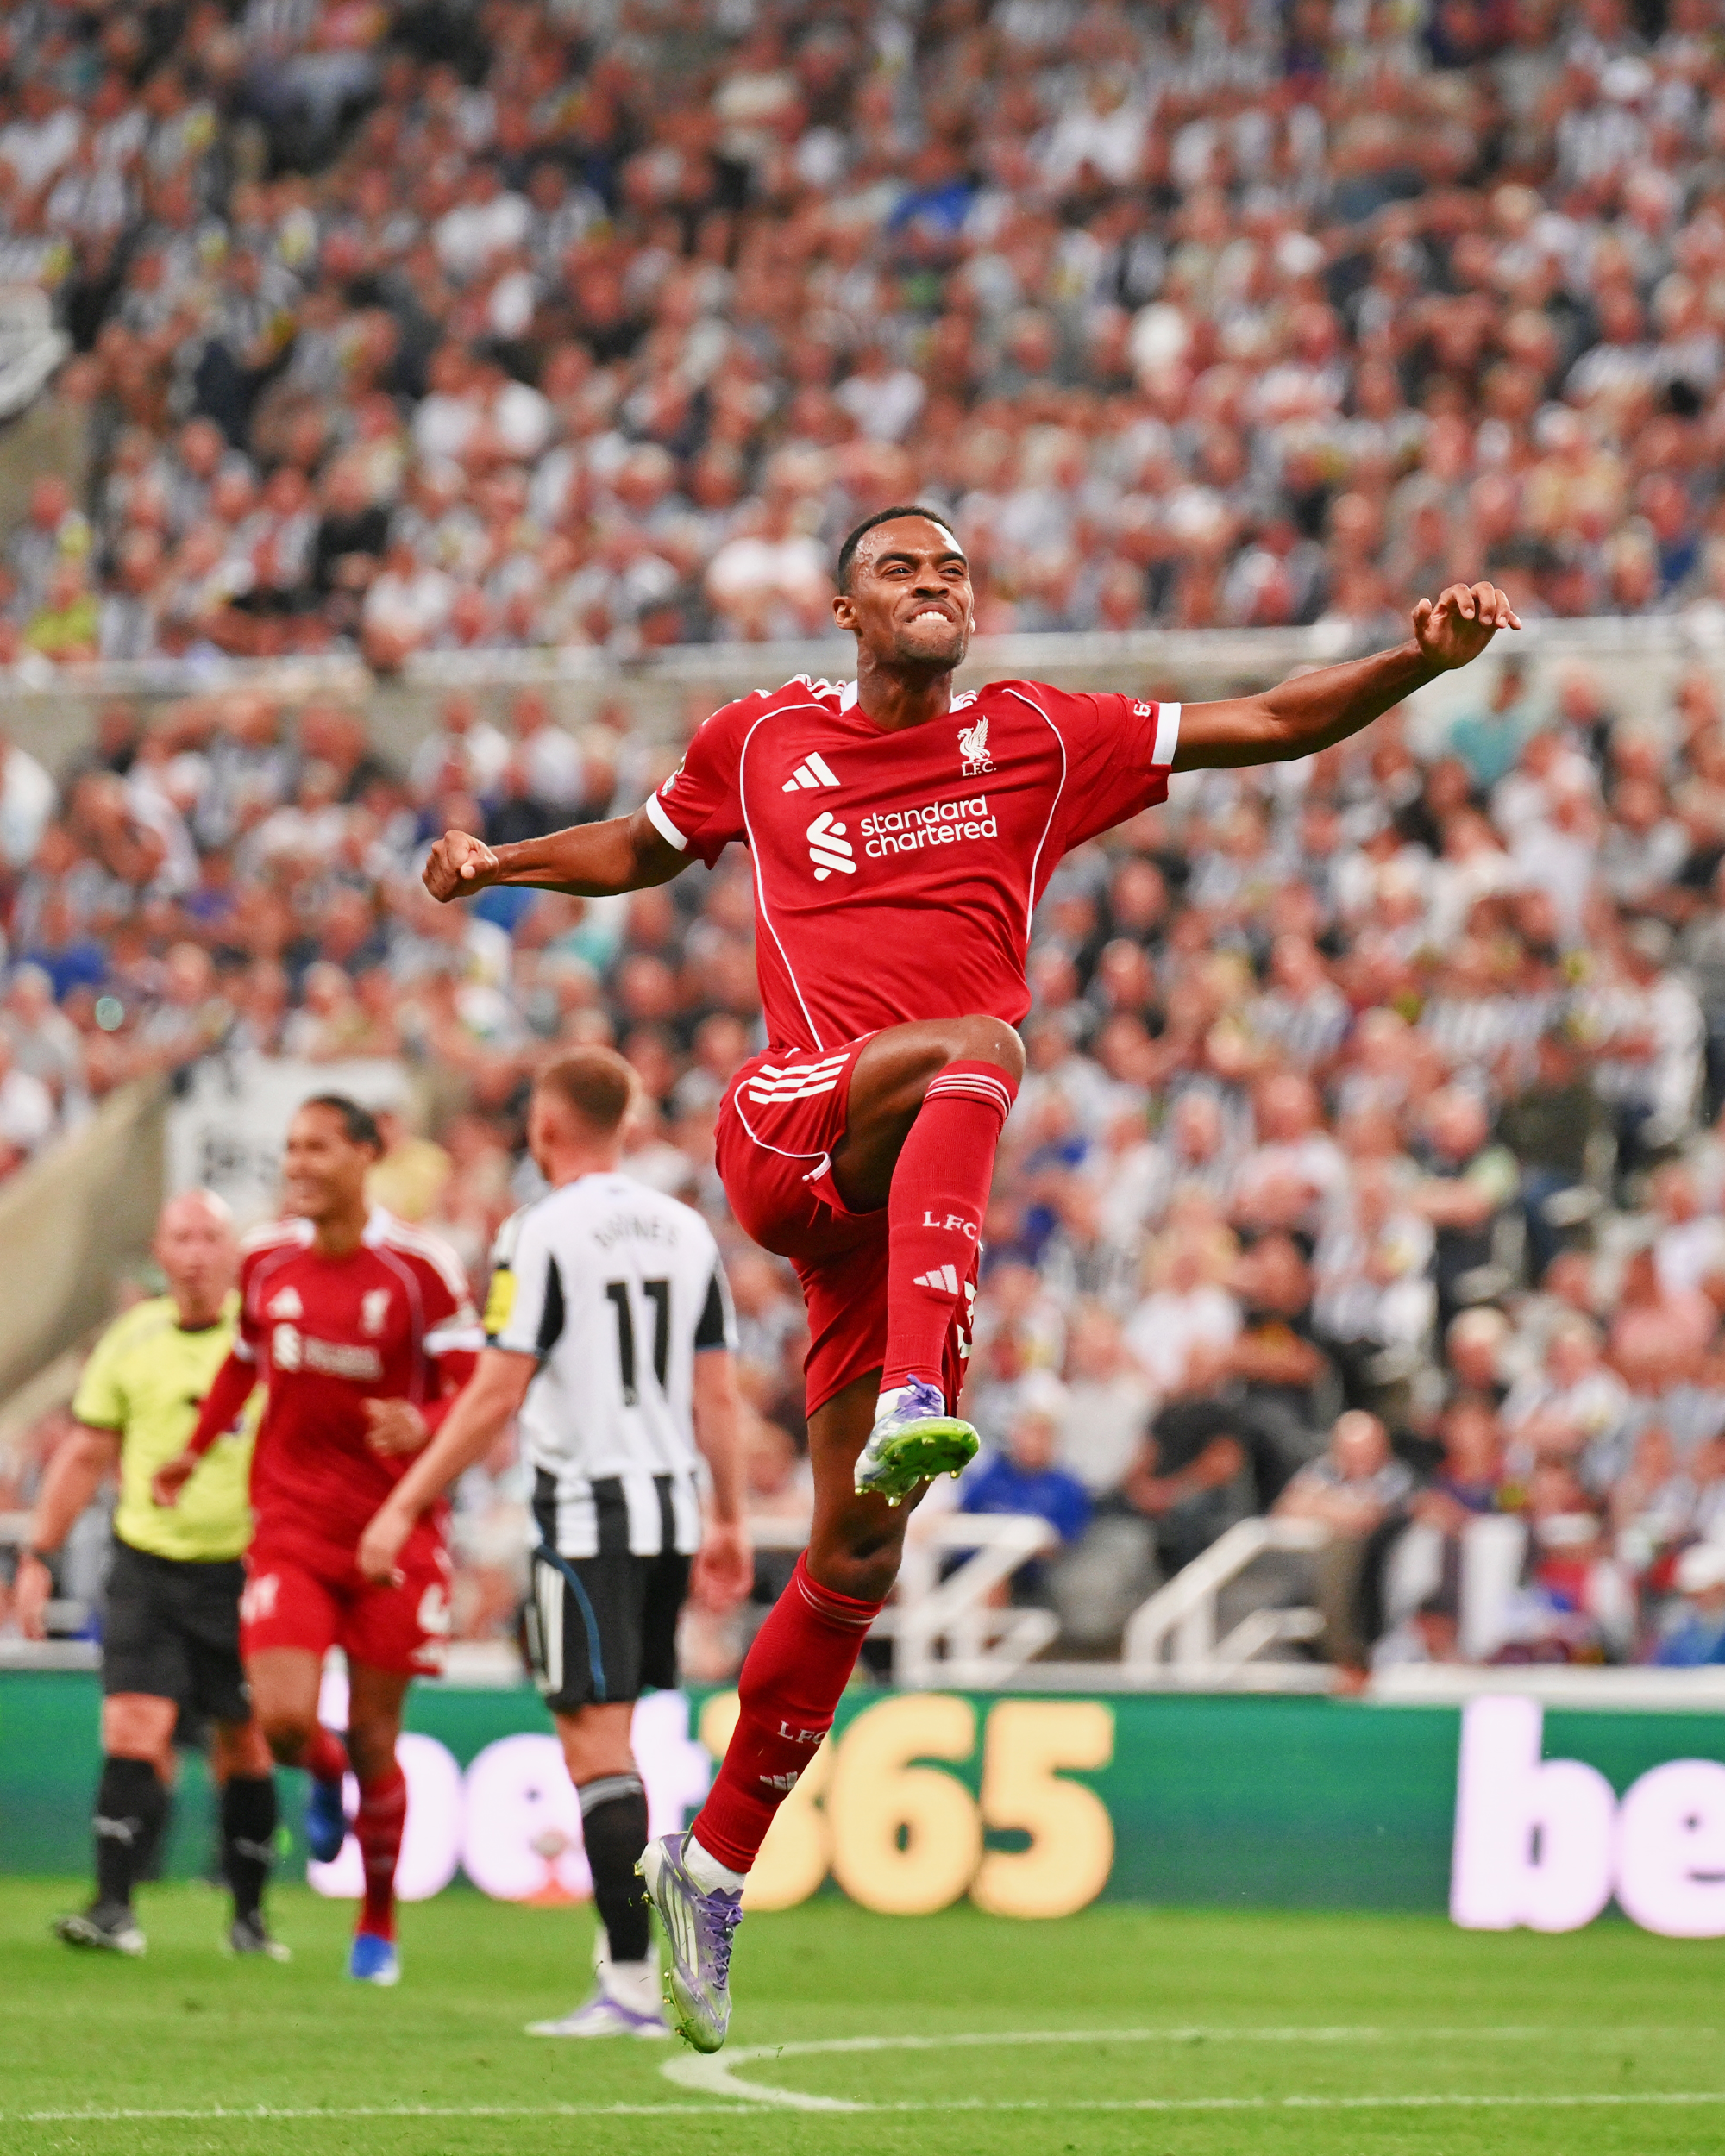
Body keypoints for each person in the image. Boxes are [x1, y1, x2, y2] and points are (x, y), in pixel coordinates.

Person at [421, 505, 1519, 2051]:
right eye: (902, 571)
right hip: (792, 1123)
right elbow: (643, 845)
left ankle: (711, 1866)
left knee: (855, 1559)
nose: (936, 586)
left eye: (952, 571)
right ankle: (927, 1388)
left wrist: (1417, 658)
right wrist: (500, 864)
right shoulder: (762, 738)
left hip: (896, 1208)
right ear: (844, 611)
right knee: (985, 1046)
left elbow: (1268, 721)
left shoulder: (1036, 739)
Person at [354, 1048, 751, 2037]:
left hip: (585, 1510)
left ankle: (631, 1981)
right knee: (618, 1745)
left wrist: (404, 1500)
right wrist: (732, 1518)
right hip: (668, 1511)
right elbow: (716, 1393)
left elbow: (496, 1389)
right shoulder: (685, 1228)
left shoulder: (538, 1231)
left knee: (592, 1743)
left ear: (543, 1125)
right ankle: (638, 1956)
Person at [152, 1096, 481, 1986]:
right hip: (292, 1526)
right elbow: (245, 1361)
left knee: (377, 1736)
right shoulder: (264, 1258)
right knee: (287, 1721)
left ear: (365, 1155)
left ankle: (377, 1920)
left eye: (317, 1146)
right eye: (291, 1146)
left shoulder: (419, 1269)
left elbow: (477, 1389)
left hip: (393, 1533)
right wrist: (192, 1450)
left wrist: (423, 1419)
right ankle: (322, 1774)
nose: (297, 1162)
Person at [16, 1191, 284, 1959]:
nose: (196, 1252)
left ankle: (250, 1915)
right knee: (134, 1727)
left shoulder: (264, 1342)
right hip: (147, 1565)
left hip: (242, 1568)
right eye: (182, 1238)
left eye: (210, 1237)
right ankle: (113, 1908)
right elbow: (85, 1456)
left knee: (245, 1743)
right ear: (160, 1253)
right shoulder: (131, 1341)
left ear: (231, 1253)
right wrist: (39, 1554)